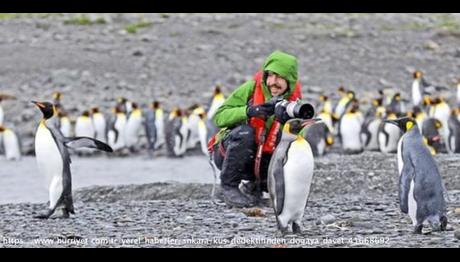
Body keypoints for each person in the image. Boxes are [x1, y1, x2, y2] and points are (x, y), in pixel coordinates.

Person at [210, 50, 303, 208]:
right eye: (270, 75)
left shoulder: (294, 103)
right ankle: (229, 186)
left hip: (262, 159)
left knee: (288, 143)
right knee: (246, 133)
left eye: (280, 77)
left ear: (290, 80)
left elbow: (300, 141)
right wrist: (249, 111)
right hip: (230, 153)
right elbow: (219, 116)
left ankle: (256, 186)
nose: (273, 82)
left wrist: (287, 125)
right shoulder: (252, 88)